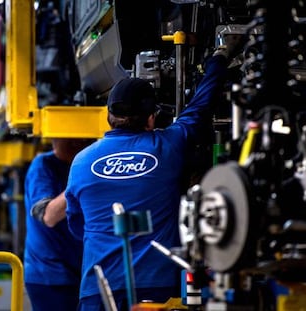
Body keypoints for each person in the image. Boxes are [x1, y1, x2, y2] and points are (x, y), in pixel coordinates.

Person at [65, 48, 230, 311]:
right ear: (151, 117)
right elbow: (200, 107)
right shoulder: (168, 146)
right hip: (157, 289)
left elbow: (76, 226)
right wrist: (219, 59)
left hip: (98, 288)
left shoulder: (81, 162)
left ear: (109, 116)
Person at [23, 138, 95, 311]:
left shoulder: (88, 164)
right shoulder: (43, 166)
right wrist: (81, 177)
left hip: (83, 273)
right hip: (50, 275)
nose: (79, 141)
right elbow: (48, 215)